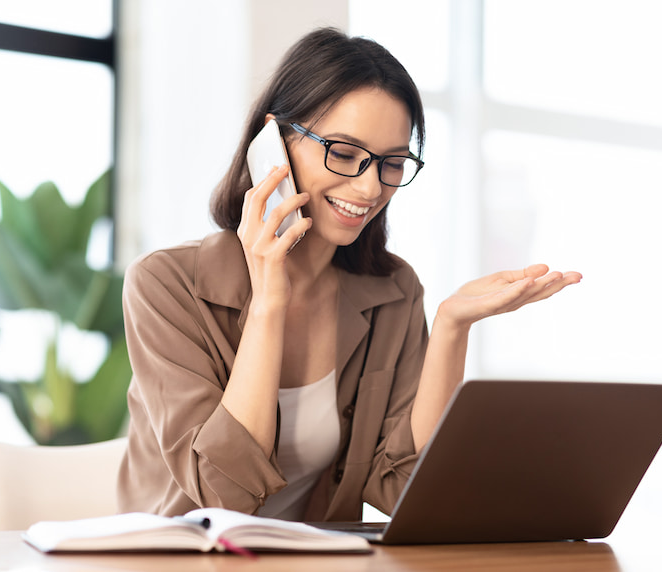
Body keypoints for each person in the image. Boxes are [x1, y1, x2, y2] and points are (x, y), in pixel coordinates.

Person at [116, 27, 581, 522]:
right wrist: (270, 301)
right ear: (272, 142)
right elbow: (222, 496)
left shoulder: (393, 293)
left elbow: (402, 490)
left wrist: (451, 326)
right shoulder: (164, 284)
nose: (367, 187)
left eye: (393, 163)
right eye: (342, 153)